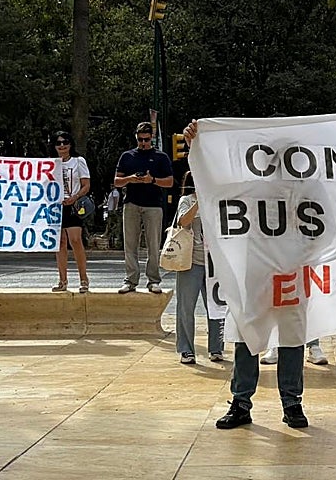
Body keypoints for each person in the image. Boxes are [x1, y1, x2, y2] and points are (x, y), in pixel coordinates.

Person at [182, 120, 307, 430]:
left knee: (292, 337)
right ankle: (241, 401)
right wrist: (195, 146)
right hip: (253, 269)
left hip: (292, 271)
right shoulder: (248, 183)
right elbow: (212, 184)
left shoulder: (306, 187)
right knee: (246, 335)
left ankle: (292, 403)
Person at [113, 122, 174, 294]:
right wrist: (130, 179)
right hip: (131, 203)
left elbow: (169, 182)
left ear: (152, 138)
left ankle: (153, 280)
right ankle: (130, 280)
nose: (143, 143)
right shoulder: (127, 156)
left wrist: (152, 180)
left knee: (153, 245)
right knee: (130, 245)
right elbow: (117, 181)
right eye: (140, 139)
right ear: (136, 138)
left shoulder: (161, 157)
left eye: (146, 140)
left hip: (154, 205)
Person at [172, 171, 224, 364]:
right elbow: (182, 221)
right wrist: (199, 201)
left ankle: (216, 348)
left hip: (214, 263)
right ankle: (186, 349)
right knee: (186, 306)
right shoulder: (186, 200)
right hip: (191, 261)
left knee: (216, 306)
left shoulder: (219, 200)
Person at [52, 131, 91, 293]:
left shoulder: (78, 161)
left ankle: (83, 278)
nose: (62, 145)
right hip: (56, 206)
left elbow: (86, 185)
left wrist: (75, 197)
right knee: (59, 243)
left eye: (65, 142)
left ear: (71, 144)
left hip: (74, 206)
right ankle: (62, 280)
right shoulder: (51, 163)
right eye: (59, 143)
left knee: (75, 240)